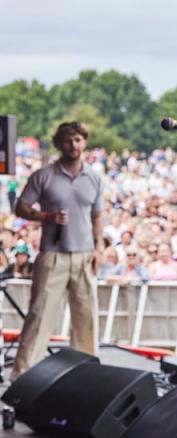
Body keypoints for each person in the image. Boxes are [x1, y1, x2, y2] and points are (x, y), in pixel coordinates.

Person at [12, 121, 102, 378]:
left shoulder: (94, 177)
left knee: (86, 320)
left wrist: (99, 249)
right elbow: (21, 208)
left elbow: (98, 216)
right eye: (68, 140)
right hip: (53, 255)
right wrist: (48, 216)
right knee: (40, 317)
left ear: (84, 142)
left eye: (78, 140)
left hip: (85, 255)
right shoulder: (44, 175)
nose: (74, 145)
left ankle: (87, 374)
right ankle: (22, 375)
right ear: (59, 144)